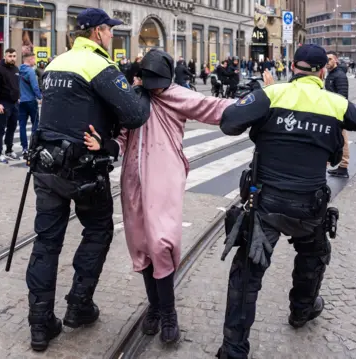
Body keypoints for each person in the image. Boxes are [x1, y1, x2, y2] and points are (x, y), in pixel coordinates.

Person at [215, 44, 356, 359]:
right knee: (313, 256)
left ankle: (234, 349)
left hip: (265, 204)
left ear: (293, 66)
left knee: (247, 272)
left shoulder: (272, 95)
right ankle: (301, 310)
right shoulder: (334, 103)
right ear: (322, 70)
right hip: (308, 206)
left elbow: (228, 122)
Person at [85, 49, 233, 345]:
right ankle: (155, 306)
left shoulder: (179, 95)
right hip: (133, 180)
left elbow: (214, 107)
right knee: (141, 244)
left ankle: (168, 313)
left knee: (161, 242)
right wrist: (104, 145)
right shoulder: (133, 98)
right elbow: (122, 138)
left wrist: (258, 103)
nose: (155, 87)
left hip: (163, 177)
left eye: (159, 82)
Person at [23, 8, 150, 352]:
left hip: (46, 166)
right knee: (98, 230)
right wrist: (137, 89)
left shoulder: (55, 64)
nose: (112, 36)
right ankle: (79, 306)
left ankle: (40, 324)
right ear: (97, 32)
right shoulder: (98, 65)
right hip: (84, 170)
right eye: (110, 31)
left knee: (46, 242)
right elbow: (136, 114)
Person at [0, 48, 21, 164]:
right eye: (10, 56)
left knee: (12, 128)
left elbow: (16, 85)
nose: (12, 58)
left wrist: (18, 97)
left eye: (14, 56)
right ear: (5, 56)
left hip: (14, 103)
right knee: (1, 129)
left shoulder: (16, 69)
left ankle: (9, 150)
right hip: (3, 103)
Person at [324, 51, 350, 178]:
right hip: (331, 110)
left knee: (343, 138)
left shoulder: (339, 75)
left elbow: (342, 95)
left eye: (329, 59)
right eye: (326, 59)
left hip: (338, 112)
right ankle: (337, 164)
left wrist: (337, 112)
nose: (327, 62)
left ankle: (344, 166)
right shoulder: (331, 75)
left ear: (336, 60)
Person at [18, 52, 43, 157]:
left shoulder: (18, 71)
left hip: (21, 101)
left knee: (22, 126)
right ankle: (33, 147)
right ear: (30, 59)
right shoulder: (31, 72)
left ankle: (24, 148)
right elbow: (35, 86)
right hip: (31, 101)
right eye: (34, 59)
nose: (35, 61)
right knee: (35, 124)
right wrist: (40, 97)